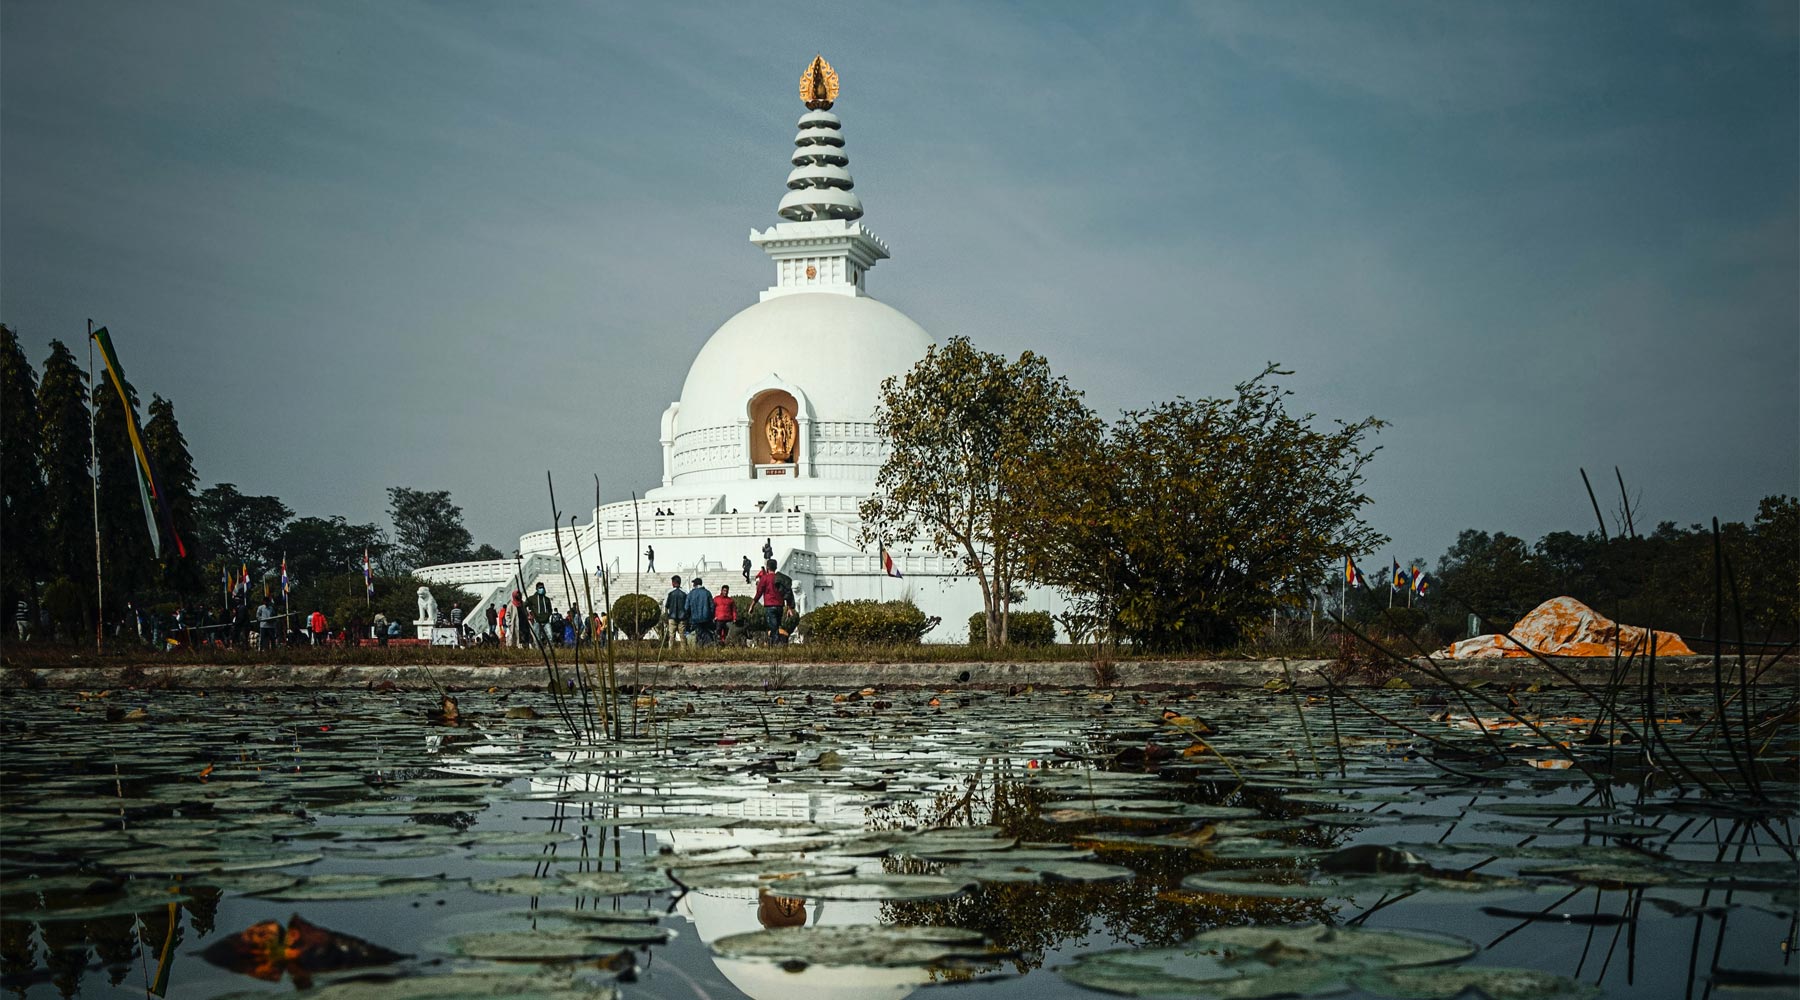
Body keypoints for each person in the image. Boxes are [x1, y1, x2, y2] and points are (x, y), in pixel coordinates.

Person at [754, 559, 784, 645]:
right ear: (776, 567)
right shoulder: (780, 578)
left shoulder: (765, 578)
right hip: (780, 606)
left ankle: (776, 643)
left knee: (773, 627)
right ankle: (775, 643)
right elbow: (786, 592)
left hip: (770, 606)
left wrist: (752, 604)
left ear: (767, 567)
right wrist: (789, 606)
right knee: (776, 627)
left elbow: (759, 592)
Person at [685, 577, 715, 647]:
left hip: (694, 619)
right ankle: (707, 647)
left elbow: (686, 608)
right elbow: (712, 606)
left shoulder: (691, 594)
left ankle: (698, 648)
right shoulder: (707, 593)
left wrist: (689, 617)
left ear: (695, 584)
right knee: (706, 634)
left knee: (698, 634)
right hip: (706, 618)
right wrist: (711, 616)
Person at [662, 575, 688, 648]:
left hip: (672, 617)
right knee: (682, 636)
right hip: (682, 617)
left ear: (673, 583)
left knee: (671, 636)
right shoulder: (685, 592)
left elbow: (666, 605)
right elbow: (687, 605)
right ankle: (683, 651)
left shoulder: (670, 592)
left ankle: (670, 651)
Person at [526, 583, 553, 647]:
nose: (542, 589)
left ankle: (548, 651)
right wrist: (528, 615)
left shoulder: (547, 599)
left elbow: (550, 609)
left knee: (550, 636)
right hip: (537, 621)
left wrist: (548, 615)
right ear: (536, 589)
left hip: (546, 621)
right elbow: (524, 605)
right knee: (537, 638)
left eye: (542, 588)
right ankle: (539, 650)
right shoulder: (532, 598)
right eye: (540, 588)